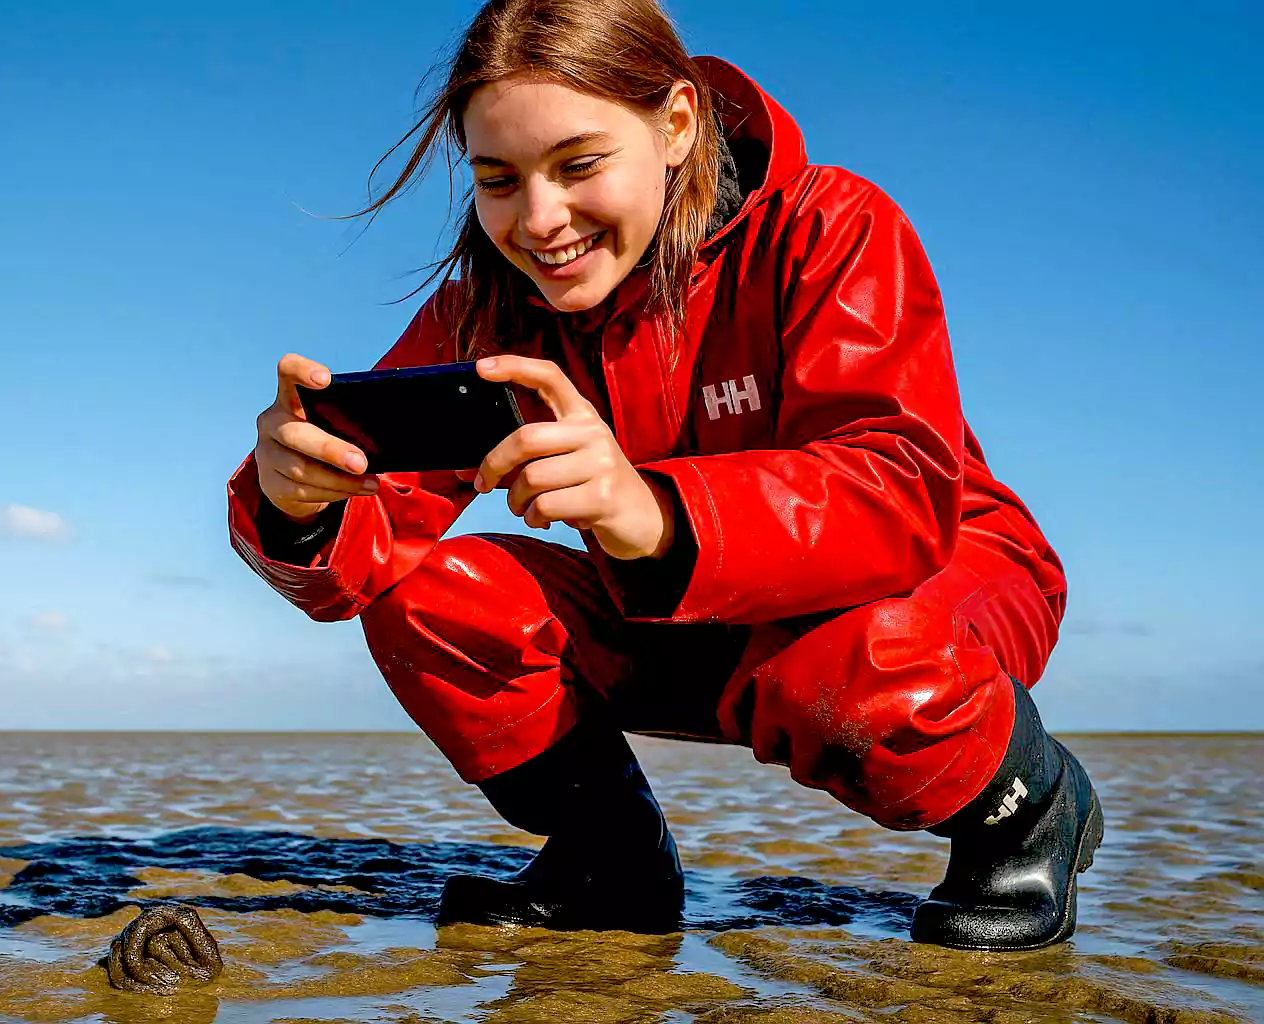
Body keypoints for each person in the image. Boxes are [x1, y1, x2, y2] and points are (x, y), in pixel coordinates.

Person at [227, 0, 1102, 950]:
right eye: (497, 179)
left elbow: (899, 491)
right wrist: (295, 505)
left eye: (579, 165)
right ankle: (610, 858)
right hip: (675, 615)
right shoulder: (487, 310)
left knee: (853, 659)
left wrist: (655, 512)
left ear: (677, 123)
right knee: (436, 602)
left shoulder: (829, 226)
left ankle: (1025, 810)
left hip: (939, 578)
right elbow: (369, 546)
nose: (539, 219)